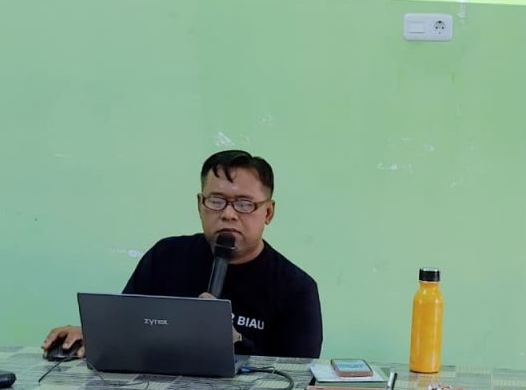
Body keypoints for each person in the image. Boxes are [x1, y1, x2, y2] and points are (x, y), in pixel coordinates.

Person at [42, 150, 323, 359]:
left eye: (244, 204)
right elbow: (126, 327)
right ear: (200, 204)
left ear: (268, 212)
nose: (228, 214)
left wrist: (237, 342)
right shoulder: (165, 257)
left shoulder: (296, 288)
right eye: (216, 201)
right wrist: (93, 335)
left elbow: (296, 376)